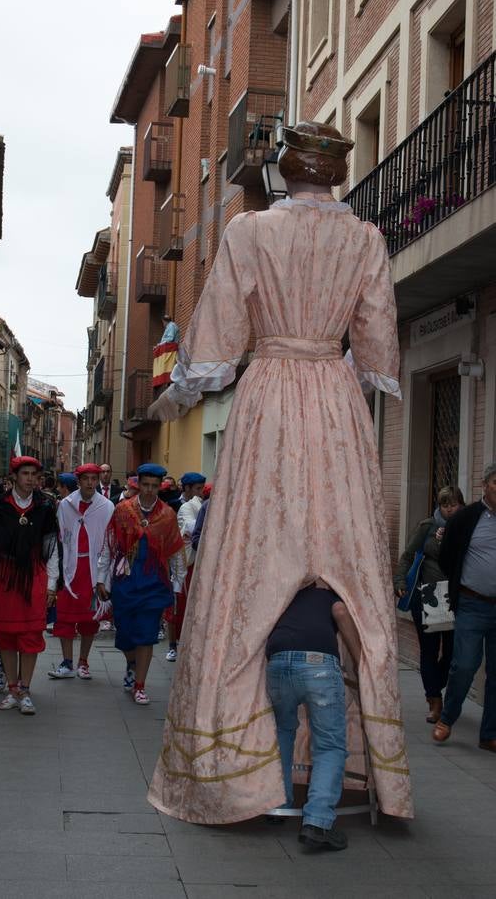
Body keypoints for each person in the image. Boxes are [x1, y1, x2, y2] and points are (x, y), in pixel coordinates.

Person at [146, 121, 413, 824]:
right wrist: (360, 376)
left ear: (279, 173)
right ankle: (355, 770)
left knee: (247, 555)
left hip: (266, 393)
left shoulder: (250, 233)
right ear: (336, 177)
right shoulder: (365, 240)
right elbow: (379, 343)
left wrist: (178, 391)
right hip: (332, 396)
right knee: (343, 545)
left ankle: (240, 767)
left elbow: (215, 342)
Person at [266, 581, 361, 851]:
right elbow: (341, 612)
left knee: (283, 731)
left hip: (278, 661)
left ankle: (278, 804)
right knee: (329, 743)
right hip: (318, 665)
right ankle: (317, 823)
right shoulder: (328, 594)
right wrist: (361, 662)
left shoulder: (286, 593)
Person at [0, 456, 59, 715]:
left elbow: (52, 549)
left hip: (34, 575)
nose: (31, 479)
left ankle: (24, 690)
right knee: (6, 636)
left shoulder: (45, 507)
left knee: (31, 635)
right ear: (14, 477)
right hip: (4, 576)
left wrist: (52, 584)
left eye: (34, 474)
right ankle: (12, 689)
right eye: (25, 474)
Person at [97, 464, 186, 705]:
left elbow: (176, 552)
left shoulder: (168, 514)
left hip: (154, 581)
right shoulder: (122, 510)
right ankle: (132, 663)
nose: (149, 490)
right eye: (145, 485)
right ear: (138, 484)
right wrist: (101, 579)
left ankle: (140, 685)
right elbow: (109, 544)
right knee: (125, 635)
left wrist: (177, 586)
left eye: (154, 486)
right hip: (125, 580)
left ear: (160, 487)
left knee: (146, 635)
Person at [433, 463, 496, 751]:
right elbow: (447, 558)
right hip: (472, 604)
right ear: (485, 485)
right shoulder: (467, 517)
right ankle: (447, 718)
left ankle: (489, 733)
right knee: (465, 665)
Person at [394, 486, 464, 723]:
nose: (449, 509)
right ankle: (434, 700)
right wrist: (400, 580)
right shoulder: (427, 527)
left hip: (457, 597)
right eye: (445, 505)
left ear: (461, 505)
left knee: (454, 652)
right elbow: (407, 556)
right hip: (430, 595)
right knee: (430, 650)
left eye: (453, 504)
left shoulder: (468, 527)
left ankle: (437, 683)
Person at [48, 464, 114, 680]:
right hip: (69, 570)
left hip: (93, 570)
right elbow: (60, 536)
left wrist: (104, 575)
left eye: (94, 478)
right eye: (85, 478)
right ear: (78, 481)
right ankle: (66, 662)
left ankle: (83, 662)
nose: (90, 482)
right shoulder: (66, 505)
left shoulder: (106, 506)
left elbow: (109, 541)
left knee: (89, 619)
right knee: (65, 618)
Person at [165, 472, 206, 662]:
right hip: (183, 562)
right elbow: (192, 526)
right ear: (187, 488)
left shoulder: (200, 505)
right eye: (197, 489)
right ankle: (173, 645)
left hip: (198, 561)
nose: (200, 492)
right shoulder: (183, 507)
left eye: (202, 488)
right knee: (177, 605)